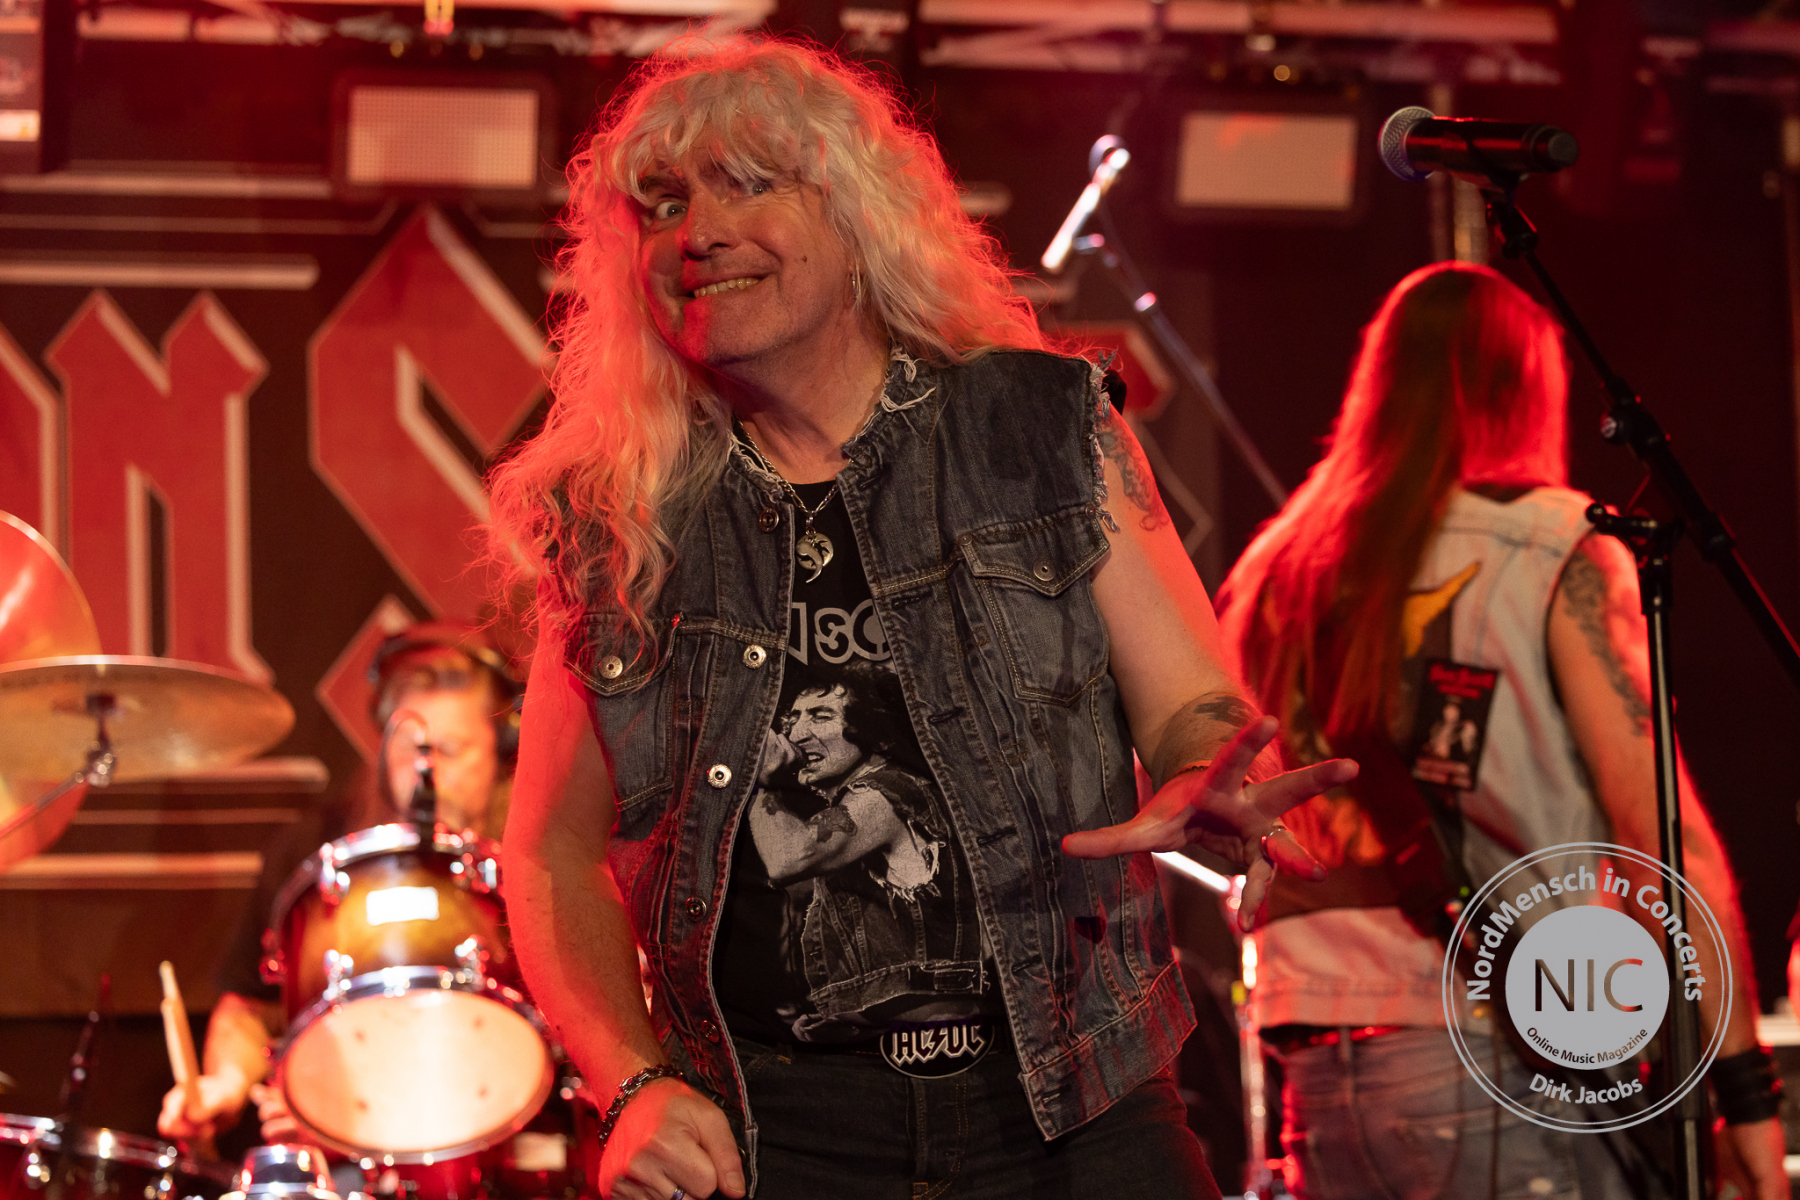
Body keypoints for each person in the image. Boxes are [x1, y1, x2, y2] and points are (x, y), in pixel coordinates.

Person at [486, 36, 1355, 1200]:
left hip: (1073, 1109)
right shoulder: (620, 514)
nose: (695, 233)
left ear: (857, 219)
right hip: (774, 1136)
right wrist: (633, 1083)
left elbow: (1195, 702)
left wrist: (1207, 774)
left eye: (748, 184)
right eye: (663, 205)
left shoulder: (1039, 429)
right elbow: (549, 852)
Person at [1215, 262, 1788, 1200]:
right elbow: (1664, 845)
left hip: (1318, 1081)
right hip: (1498, 1057)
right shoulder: (1552, 543)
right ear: (1526, 393)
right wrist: (1745, 1096)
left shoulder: (1276, 570)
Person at [157, 622, 521, 1146]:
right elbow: (249, 1006)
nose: (425, 769)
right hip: (346, 1155)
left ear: (500, 752)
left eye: (449, 748)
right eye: (409, 746)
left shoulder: (533, 865)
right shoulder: (313, 852)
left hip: (505, 1137)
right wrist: (228, 1084)